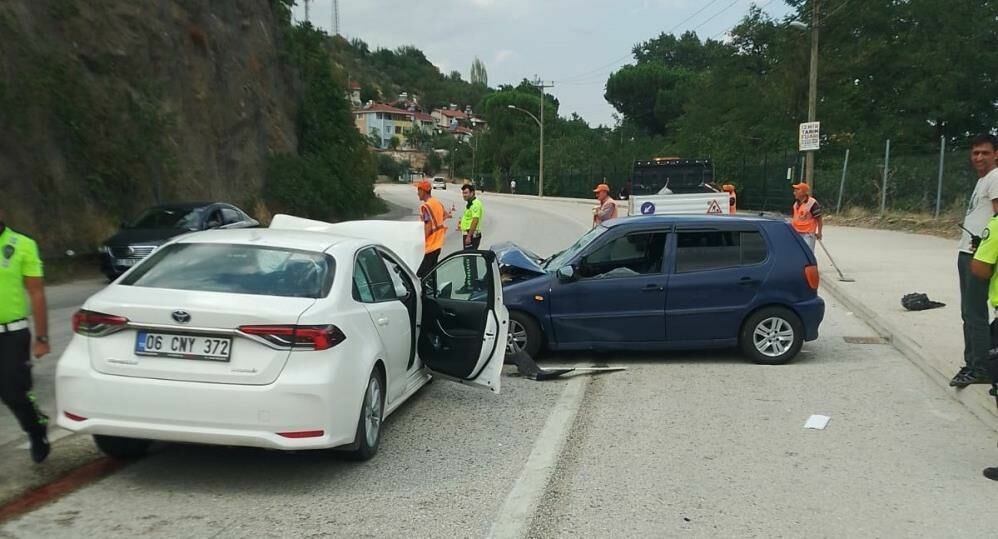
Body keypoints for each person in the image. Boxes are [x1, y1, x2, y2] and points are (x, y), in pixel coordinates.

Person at [0, 209, 51, 463]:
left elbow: (37, 293)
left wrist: (41, 338)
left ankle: (36, 428)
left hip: (13, 333)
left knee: (12, 392)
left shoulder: (22, 244)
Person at [953, 134, 998, 388]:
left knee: (975, 313)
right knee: (968, 313)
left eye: (984, 152)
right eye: (975, 153)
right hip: (968, 252)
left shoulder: (995, 178)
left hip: (980, 255)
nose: (979, 157)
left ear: (996, 154)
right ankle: (972, 362)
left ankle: (980, 367)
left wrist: (987, 250)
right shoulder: (984, 180)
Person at [415, 180, 447, 278]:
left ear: (423, 191)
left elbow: (428, 225)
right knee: (432, 272)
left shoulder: (426, 206)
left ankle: (425, 292)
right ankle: (433, 291)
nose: (417, 193)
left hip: (430, 245)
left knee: (421, 275)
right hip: (438, 243)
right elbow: (445, 215)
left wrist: (421, 240)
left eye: (418, 190)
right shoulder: (437, 202)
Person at [457, 183, 484, 292]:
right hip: (469, 234)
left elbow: (475, 219)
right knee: (471, 260)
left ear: (472, 193)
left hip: (471, 236)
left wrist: (469, 235)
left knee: (468, 260)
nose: (464, 195)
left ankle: (469, 285)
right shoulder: (470, 203)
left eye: (466, 193)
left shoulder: (475, 204)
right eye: (463, 193)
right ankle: (474, 283)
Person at [791, 183, 823, 251]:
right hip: (796, 232)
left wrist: (819, 232)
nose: (794, 193)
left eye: (796, 191)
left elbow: (819, 219)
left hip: (808, 234)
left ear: (803, 192)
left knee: (808, 253)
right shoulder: (796, 203)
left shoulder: (812, 203)